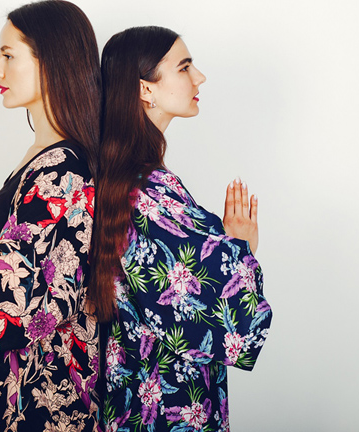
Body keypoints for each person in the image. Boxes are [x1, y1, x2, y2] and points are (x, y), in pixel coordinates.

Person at [88, 26, 273, 432]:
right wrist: (239, 247)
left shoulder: (130, 178)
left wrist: (227, 247)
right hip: (165, 405)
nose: (199, 78)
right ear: (146, 90)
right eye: (185, 67)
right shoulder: (145, 192)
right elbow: (213, 309)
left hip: (140, 398)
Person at [0, 1, 102, 430]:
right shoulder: (50, 157)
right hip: (33, 385)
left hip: (43, 396)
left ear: (50, 61)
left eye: (8, 55)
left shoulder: (61, 169)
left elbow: (14, 307)